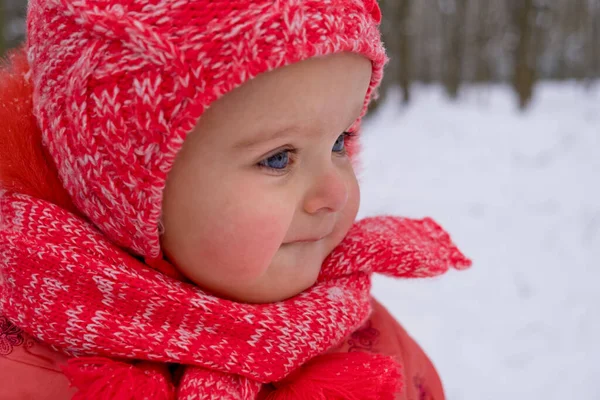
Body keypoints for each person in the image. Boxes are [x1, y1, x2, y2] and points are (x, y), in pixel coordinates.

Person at [0, 1, 470, 399]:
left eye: (339, 142)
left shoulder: (363, 336)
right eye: (278, 159)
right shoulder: (31, 369)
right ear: (125, 186)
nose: (336, 191)